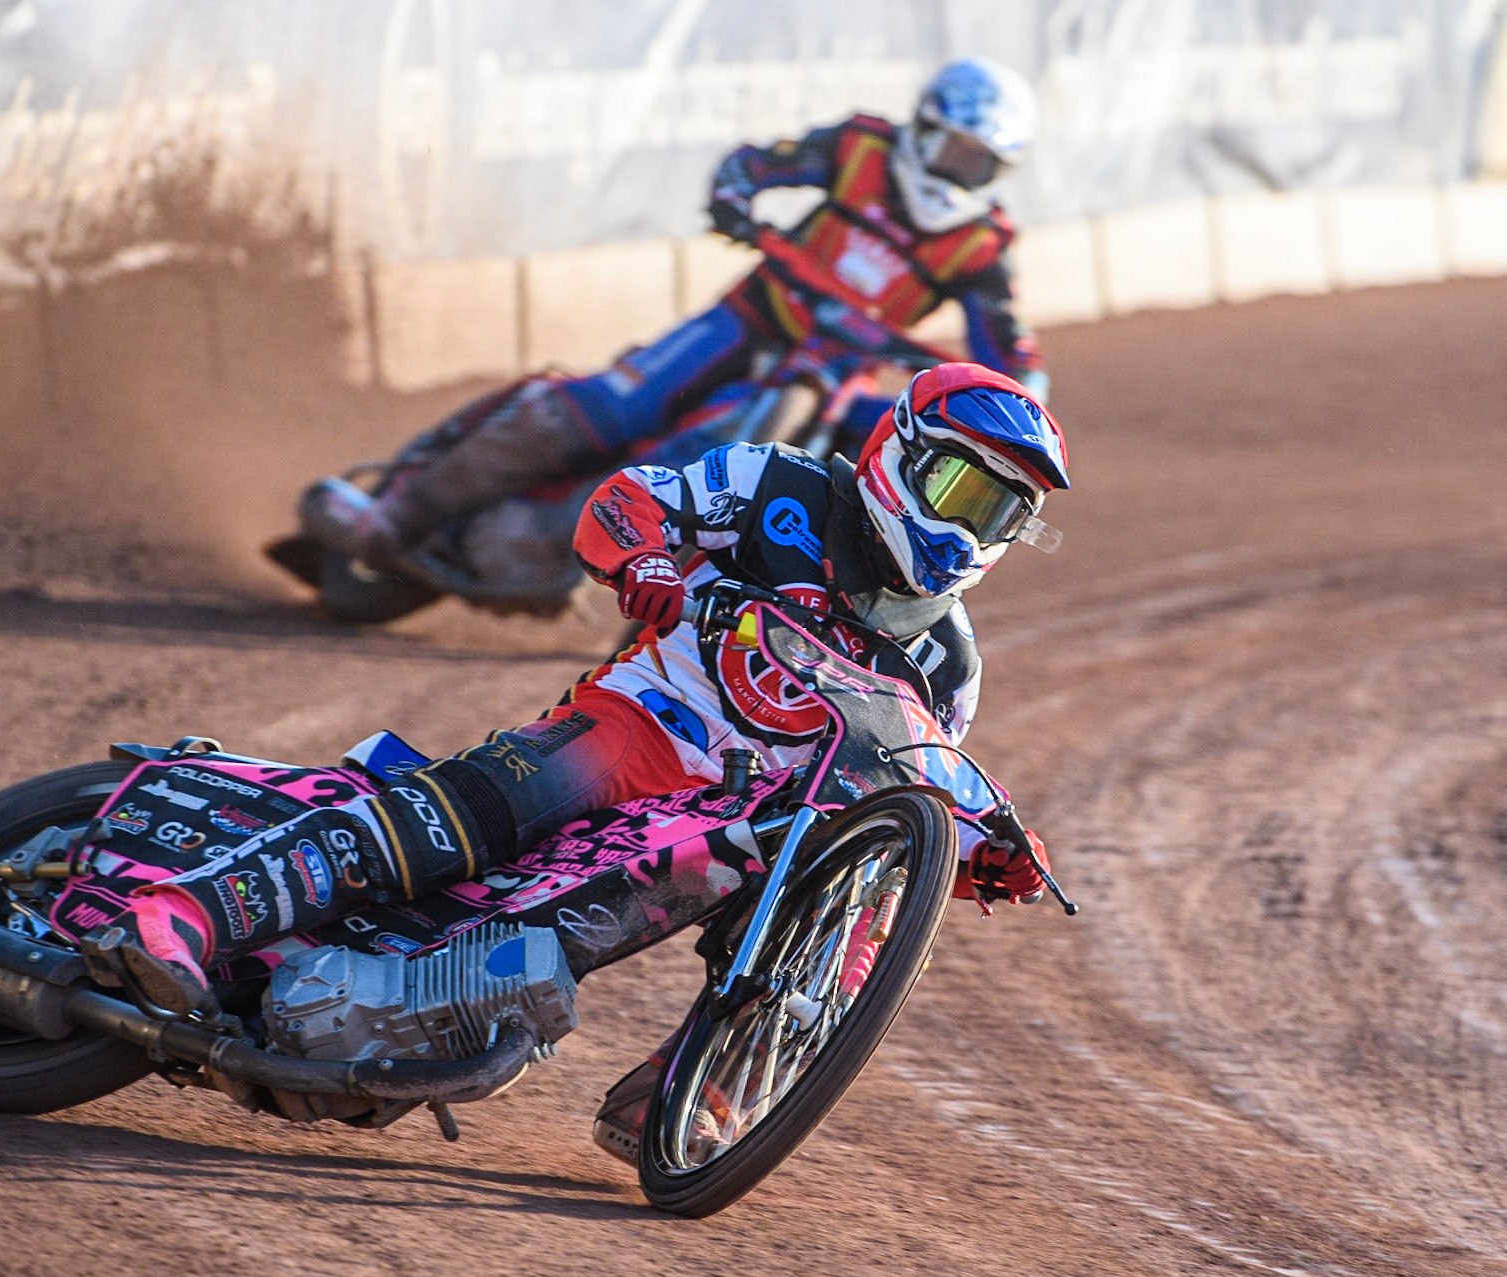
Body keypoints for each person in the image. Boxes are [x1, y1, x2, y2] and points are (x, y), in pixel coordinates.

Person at [92, 363, 1069, 1017]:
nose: (971, 533)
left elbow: (909, 782)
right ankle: (185, 911)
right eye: (962, 494)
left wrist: (972, 844)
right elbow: (624, 501)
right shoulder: (783, 485)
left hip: (745, 817)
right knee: (468, 814)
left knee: (858, 900)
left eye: (1000, 515)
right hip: (640, 723)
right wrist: (649, 561)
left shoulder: (948, 663)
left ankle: (715, 1083)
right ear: (902, 454)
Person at [311, 57, 1049, 573]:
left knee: (816, 482)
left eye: (978, 165)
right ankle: (397, 514)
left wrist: (1013, 402)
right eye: (952, 151)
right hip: (748, 320)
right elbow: (757, 165)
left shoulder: (981, 248)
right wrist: (737, 197)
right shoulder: (859, 149)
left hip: (830, 375)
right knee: (605, 406)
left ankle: (598, 558)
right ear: (923, 129)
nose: (958, 174)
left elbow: (1007, 356)